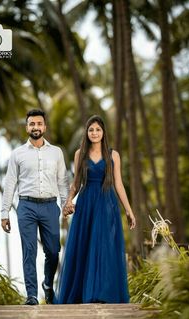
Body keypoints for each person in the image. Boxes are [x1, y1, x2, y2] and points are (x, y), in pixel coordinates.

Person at [55, 115, 136, 304]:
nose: (94, 133)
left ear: (103, 132)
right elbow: (76, 183)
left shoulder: (113, 155)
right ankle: (83, 293)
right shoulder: (79, 154)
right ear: (87, 133)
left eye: (98, 129)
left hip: (107, 203)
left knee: (104, 246)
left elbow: (119, 184)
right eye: (91, 130)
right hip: (86, 204)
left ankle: (102, 293)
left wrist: (129, 210)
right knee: (84, 245)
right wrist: (68, 202)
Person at [1, 108, 69, 305]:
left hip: (50, 206)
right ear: (27, 127)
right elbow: (10, 184)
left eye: (39, 124)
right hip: (26, 207)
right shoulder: (17, 154)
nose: (36, 127)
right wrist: (4, 213)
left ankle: (47, 285)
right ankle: (31, 295)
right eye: (32, 124)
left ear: (45, 127)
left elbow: (62, 181)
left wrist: (65, 205)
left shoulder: (56, 152)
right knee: (29, 251)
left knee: (53, 250)